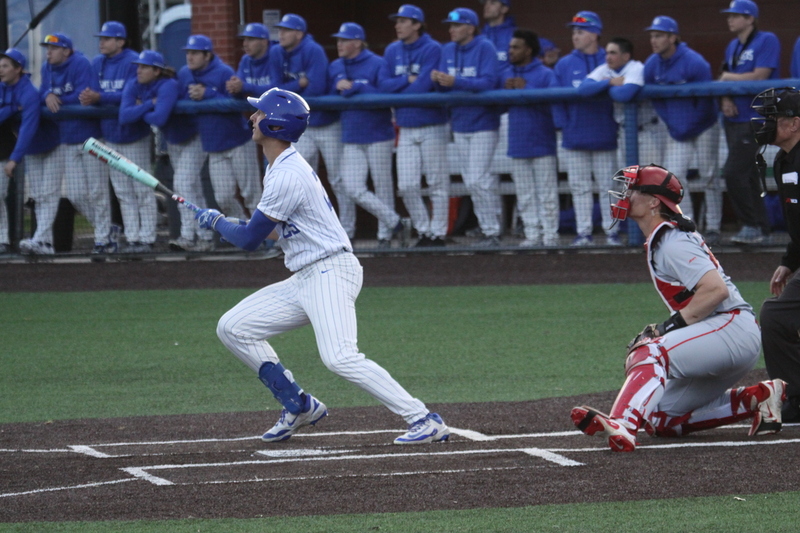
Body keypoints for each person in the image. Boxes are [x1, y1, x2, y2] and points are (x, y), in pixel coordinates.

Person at [193, 87, 450, 445]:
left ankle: (423, 418)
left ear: (277, 126)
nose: (253, 118)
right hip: (307, 275)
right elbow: (268, 232)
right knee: (233, 327)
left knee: (340, 357)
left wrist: (220, 223)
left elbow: (251, 239)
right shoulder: (280, 167)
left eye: (260, 114)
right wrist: (226, 222)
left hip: (330, 271)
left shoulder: (286, 174)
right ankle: (298, 405)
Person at [571, 164, 786, 452]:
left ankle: (622, 422)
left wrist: (666, 328)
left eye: (633, 189)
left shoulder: (672, 240)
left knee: (649, 351)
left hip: (731, 326)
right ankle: (757, 397)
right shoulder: (666, 237)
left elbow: (715, 290)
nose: (625, 195)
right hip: (724, 332)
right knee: (661, 418)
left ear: (653, 202)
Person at [269, 14, 355, 241]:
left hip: (327, 123)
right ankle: (305, 231)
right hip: (302, 128)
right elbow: (275, 89)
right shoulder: (276, 52)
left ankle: (347, 229)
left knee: (337, 178)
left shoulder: (313, 50)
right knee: (298, 178)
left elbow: (316, 89)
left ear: (299, 33)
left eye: (286, 30)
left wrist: (294, 89)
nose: (281, 34)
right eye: (280, 30)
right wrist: (299, 83)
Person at [644, 16, 723, 246]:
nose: (654, 40)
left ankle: (715, 226)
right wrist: (673, 124)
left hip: (704, 125)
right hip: (677, 128)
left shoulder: (694, 62)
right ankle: (688, 225)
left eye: (658, 35)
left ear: (673, 37)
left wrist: (691, 126)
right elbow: (654, 98)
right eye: (652, 36)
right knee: (673, 178)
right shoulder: (652, 64)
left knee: (709, 175)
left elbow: (708, 101)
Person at [176, 34, 261, 247]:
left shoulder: (224, 72)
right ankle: (247, 233)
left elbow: (236, 104)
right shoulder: (184, 74)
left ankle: (268, 237)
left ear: (207, 55)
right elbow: (179, 100)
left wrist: (208, 94)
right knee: (223, 198)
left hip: (238, 142)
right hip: (212, 146)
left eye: (195, 53)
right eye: (188, 53)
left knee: (252, 194)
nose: (190, 57)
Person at [579, 36, 663, 248]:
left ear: (626, 56)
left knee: (650, 185)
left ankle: (660, 231)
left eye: (613, 52)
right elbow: (583, 89)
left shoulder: (636, 67)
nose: (608, 56)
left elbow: (626, 94)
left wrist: (608, 88)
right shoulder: (606, 70)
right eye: (607, 52)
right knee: (624, 185)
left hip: (648, 133)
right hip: (625, 134)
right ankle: (624, 233)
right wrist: (609, 82)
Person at [329, 22, 406, 248]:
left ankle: (385, 236)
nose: (339, 44)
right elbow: (325, 89)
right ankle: (394, 221)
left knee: (383, 186)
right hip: (351, 135)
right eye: (338, 40)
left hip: (378, 133)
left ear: (357, 42)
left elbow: (384, 92)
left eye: (344, 40)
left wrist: (359, 87)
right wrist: (337, 86)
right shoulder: (335, 66)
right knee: (352, 187)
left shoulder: (377, 63)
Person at [119, 51, 205, 252]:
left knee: (183, 184)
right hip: (174, 141)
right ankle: (202, 236)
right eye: (138, 66)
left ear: (156, 71)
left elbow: (159, 119)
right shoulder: (135, 84)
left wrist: (140, 110)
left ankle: (189, 236)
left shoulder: (168, 85)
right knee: (192, 189)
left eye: (144, 67)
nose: (138, 70)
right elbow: (124, 115)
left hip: (194, 137)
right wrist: (150, 104)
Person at [39, 32, 115, 259]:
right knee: (75, 194)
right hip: (67, 138)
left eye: (53, 48)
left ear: (66, 50)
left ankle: (103, 239)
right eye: (47, 48)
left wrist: (57, 99)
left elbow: (84, 97)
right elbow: (43, 89)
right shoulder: (47, 67)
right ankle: (107, 230)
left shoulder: (81, 63)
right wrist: (47, 95)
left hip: (92, 138)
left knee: (97, 191)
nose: (48, 52)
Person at [82, 21, 156, 254]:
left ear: (120, 41)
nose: (102, 42)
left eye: (107, 38)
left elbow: (129, 94)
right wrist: (97, 97)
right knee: (123, 191)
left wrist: (101, 97)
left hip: (135, 135)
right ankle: (133, 238)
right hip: (110, 136)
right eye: (101, 38)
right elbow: (92, 94)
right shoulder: (97, 62)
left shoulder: (133, 60)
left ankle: (147, 238)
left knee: (142, 189)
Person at [432, 8, 501, 247]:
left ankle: (492, 231)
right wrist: (438, 82)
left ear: (470, 28)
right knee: (471, 179)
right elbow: (444, 88)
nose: (451, 29)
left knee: (478, 180)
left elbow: (489, 82)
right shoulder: (447, 49)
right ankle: (487, 229)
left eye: (457, 25)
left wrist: (455, 81)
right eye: (450, 25)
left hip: (483, 123)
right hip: (459, 123)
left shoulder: (485, 47)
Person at [751, 87, 800, 423]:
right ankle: (794, 397)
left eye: (774, 118)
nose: (766, 123)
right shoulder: (784, 160)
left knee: (777, 315)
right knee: (775, 317)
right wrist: (788, 262)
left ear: (795, 123)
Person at [382, 4, 449, 247]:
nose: (398, 25)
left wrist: (403, 85)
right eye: (397, 21)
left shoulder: (432, 48)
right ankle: (423, 230)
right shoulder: (392, 50)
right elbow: (382, 84)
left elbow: (423, 88)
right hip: (406, 125)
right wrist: (406, 80)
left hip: (433, 124)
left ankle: (438, 233)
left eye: (403, 21)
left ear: (417, 24)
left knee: (437, 182)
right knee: (407, 184)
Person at [553, 11, 619, 247]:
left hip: (605, 136)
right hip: (574, 137)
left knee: (608, 187)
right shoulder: (564, 64)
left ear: (595, 34)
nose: (575, 36)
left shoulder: (611, 60)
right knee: (579, 188)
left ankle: (611, 234)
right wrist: (564, 126)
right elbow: (555, 99)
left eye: (580, 31)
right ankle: (583, 234)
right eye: (573, 32)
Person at [718, 0, 780, 244]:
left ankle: (750, 225)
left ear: (750, 18)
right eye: (729, 15)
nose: (730, 19)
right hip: (734, 117)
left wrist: (727, 78)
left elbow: (760, 76)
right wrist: (724, 97)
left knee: (733, 172)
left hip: (757, 117)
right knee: (749, 175)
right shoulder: (733, 45)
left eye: (736, 15)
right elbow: (722, 80)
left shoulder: (767, 39)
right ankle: (762, 228)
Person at [500, 29, 559, 247]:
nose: (511, 51)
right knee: (524, 194)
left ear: (528, 50)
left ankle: (550, 235)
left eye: (516, 47)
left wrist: (527, 88)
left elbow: (554, 104)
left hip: (542, 142)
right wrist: (504, 92)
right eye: (510, 47)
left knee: (547, 193)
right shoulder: (506, 73)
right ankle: (532, 234)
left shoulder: (545, 74)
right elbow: (498, 107)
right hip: (517, 143)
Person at [0, 49, 55, 254]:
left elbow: (28, 128)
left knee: (48, 194)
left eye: (5, 66)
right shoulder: (2, 87)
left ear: (18, 69)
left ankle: (42, 241)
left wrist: (14, 158)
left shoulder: (29, 92)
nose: (0, 69)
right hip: (31, 150)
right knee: (39, 195)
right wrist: (12, 108)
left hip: (51, 145)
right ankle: (43, 242)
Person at [226, 23, 272, 99]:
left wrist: (245, 87)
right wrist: (234, 88)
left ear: (264, 42)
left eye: (251, 39)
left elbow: (277, 89)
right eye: (244, 39)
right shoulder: (245, 60)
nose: (245, 44)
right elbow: (238, 94)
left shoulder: (275, 57)